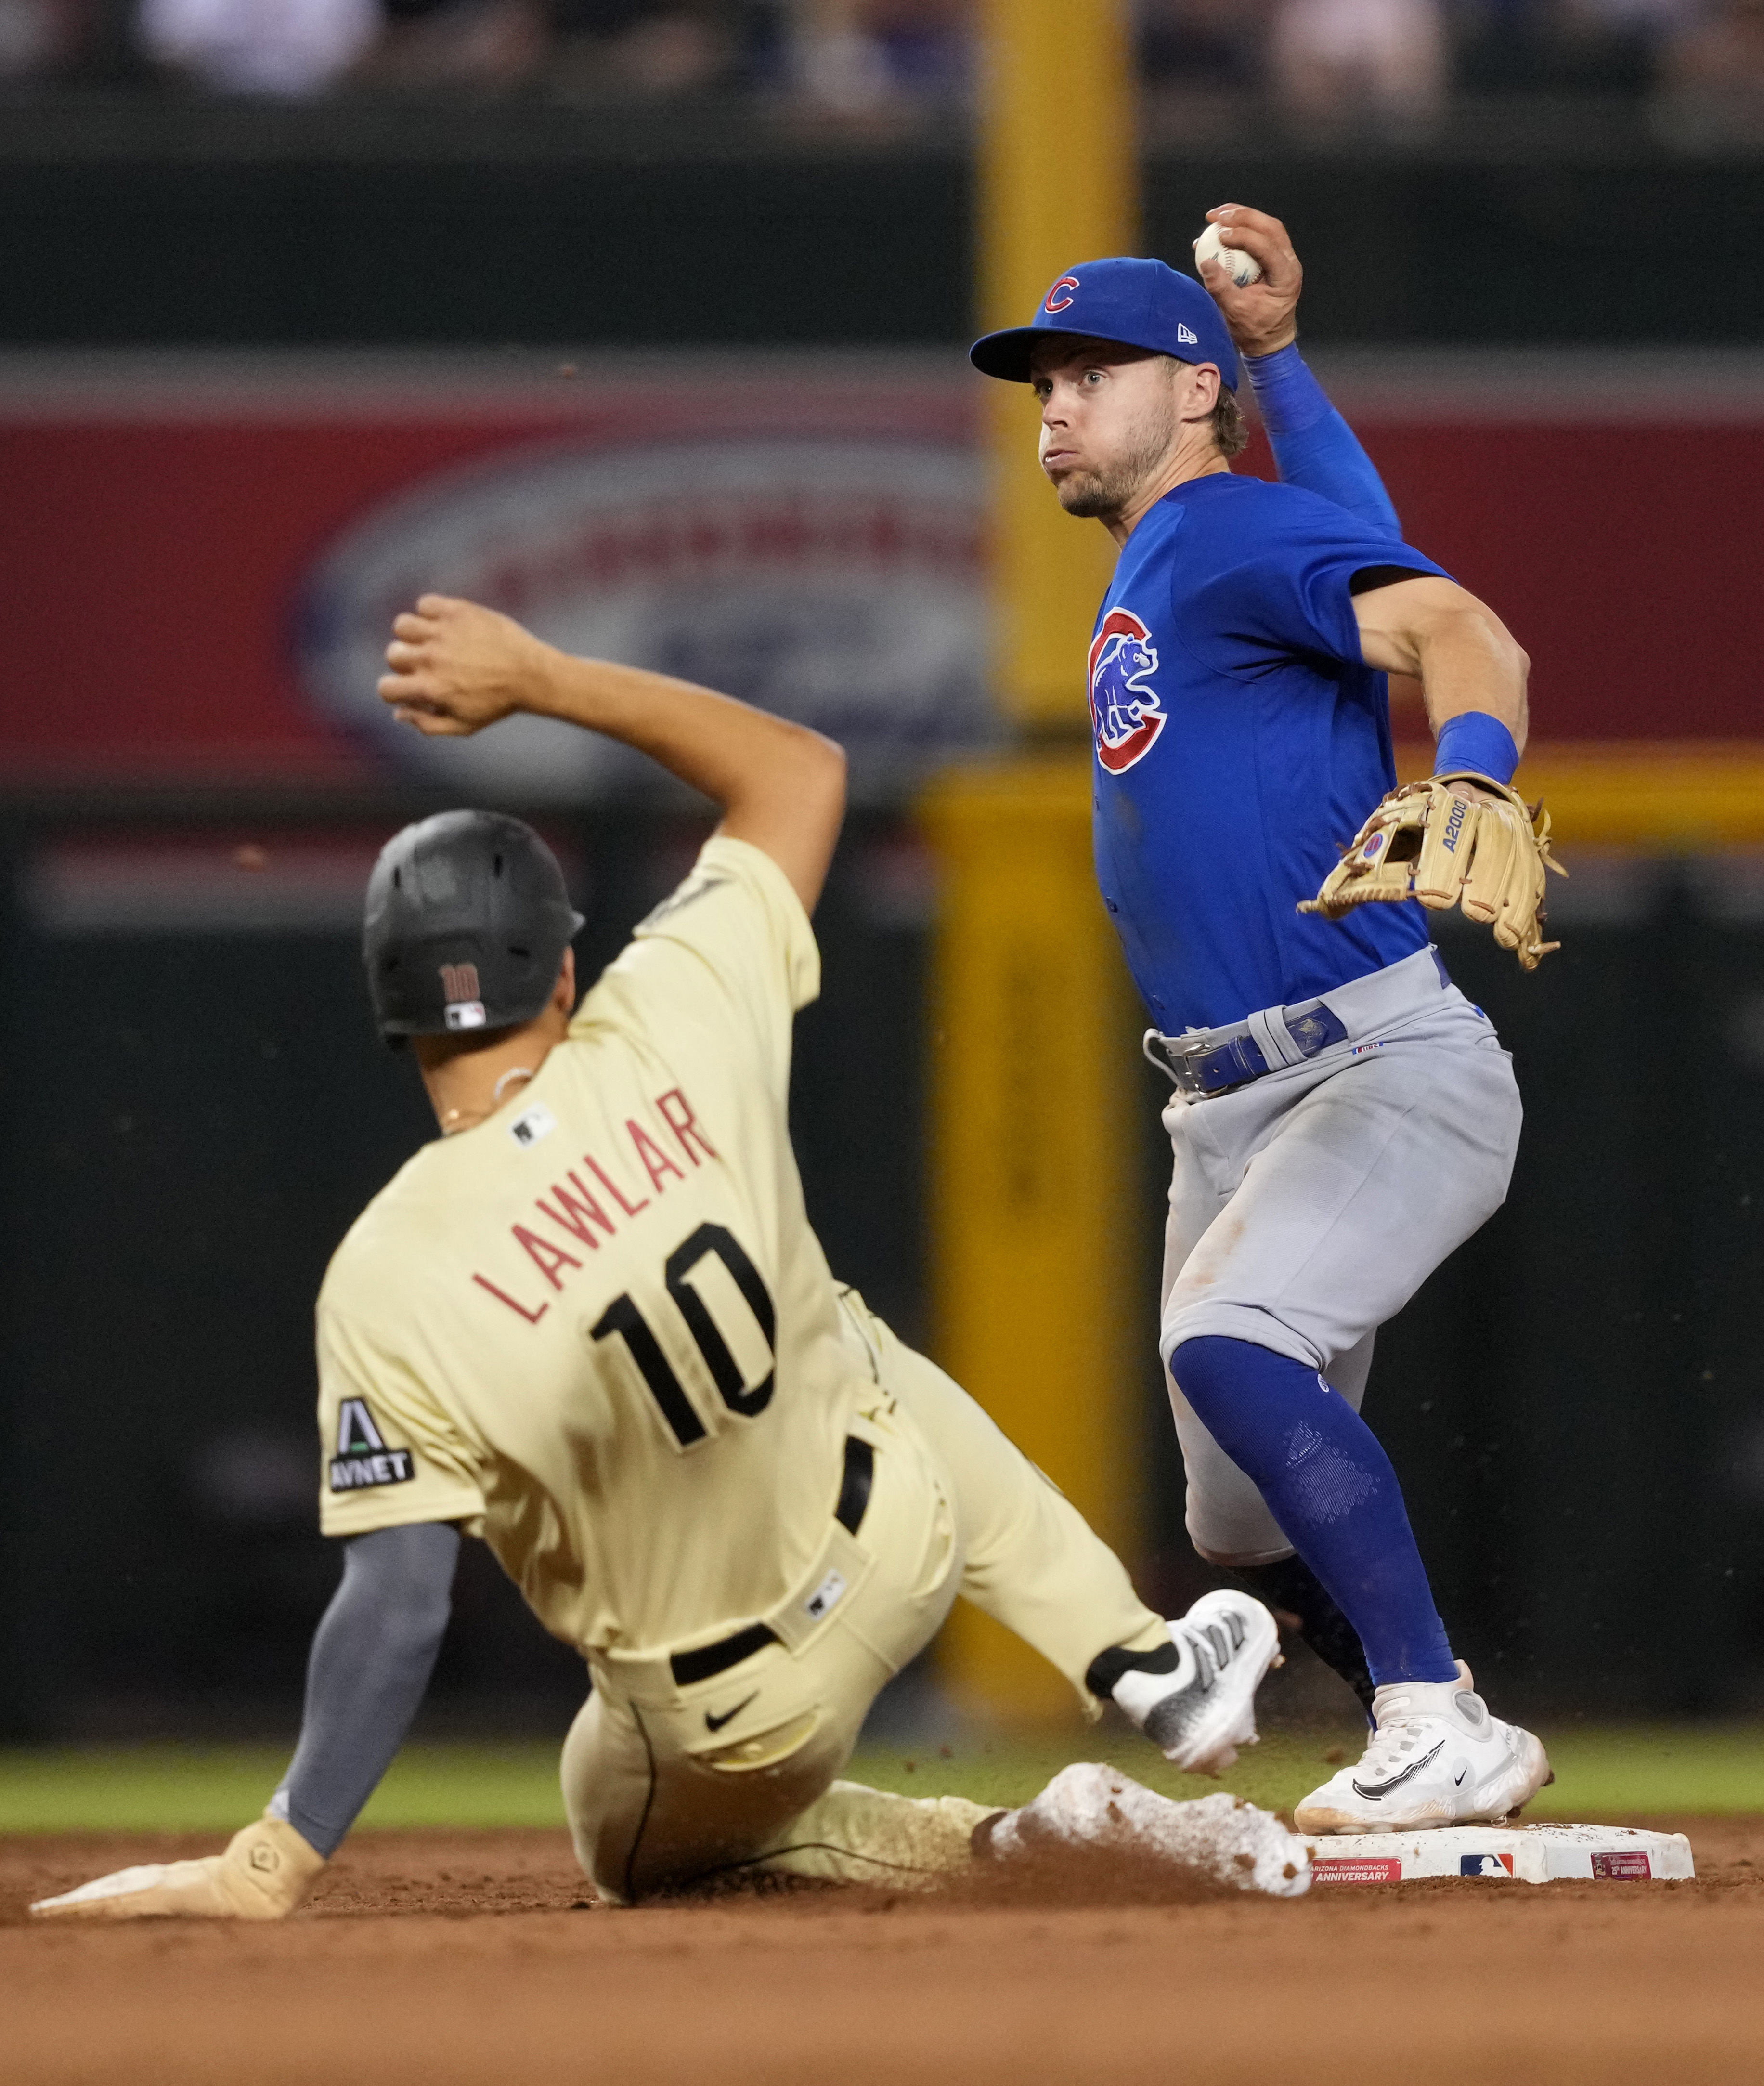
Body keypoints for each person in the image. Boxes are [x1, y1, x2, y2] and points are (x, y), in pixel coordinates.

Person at [32, 600, 1309, 1921]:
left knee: (625, 1838)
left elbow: (398, 1604)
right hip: (909, 1532)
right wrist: (541, 678)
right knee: (837, 1326)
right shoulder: (670, 1010)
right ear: (566, 971)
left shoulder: (386, 1270)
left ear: (391, 1008)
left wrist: (275, 1856)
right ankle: (1134, 1649)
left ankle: (1000, 1843)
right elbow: (799, 768)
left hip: (743, 1719)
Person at [968, 205, 1554, 1835]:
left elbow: (1467, 629)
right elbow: (1382, 548)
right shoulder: (1212, 543)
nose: (1057, 407)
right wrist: (1287, 356)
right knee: (1236, 1522)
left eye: (1093, 372)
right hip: (1225, 1107)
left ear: (1191, 387)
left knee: (1230, 1344)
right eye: (1041, 385)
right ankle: (1437, 1725)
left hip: (1369, 1060)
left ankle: (1435, 1708)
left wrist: (1479, 775)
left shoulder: (1218, 531)